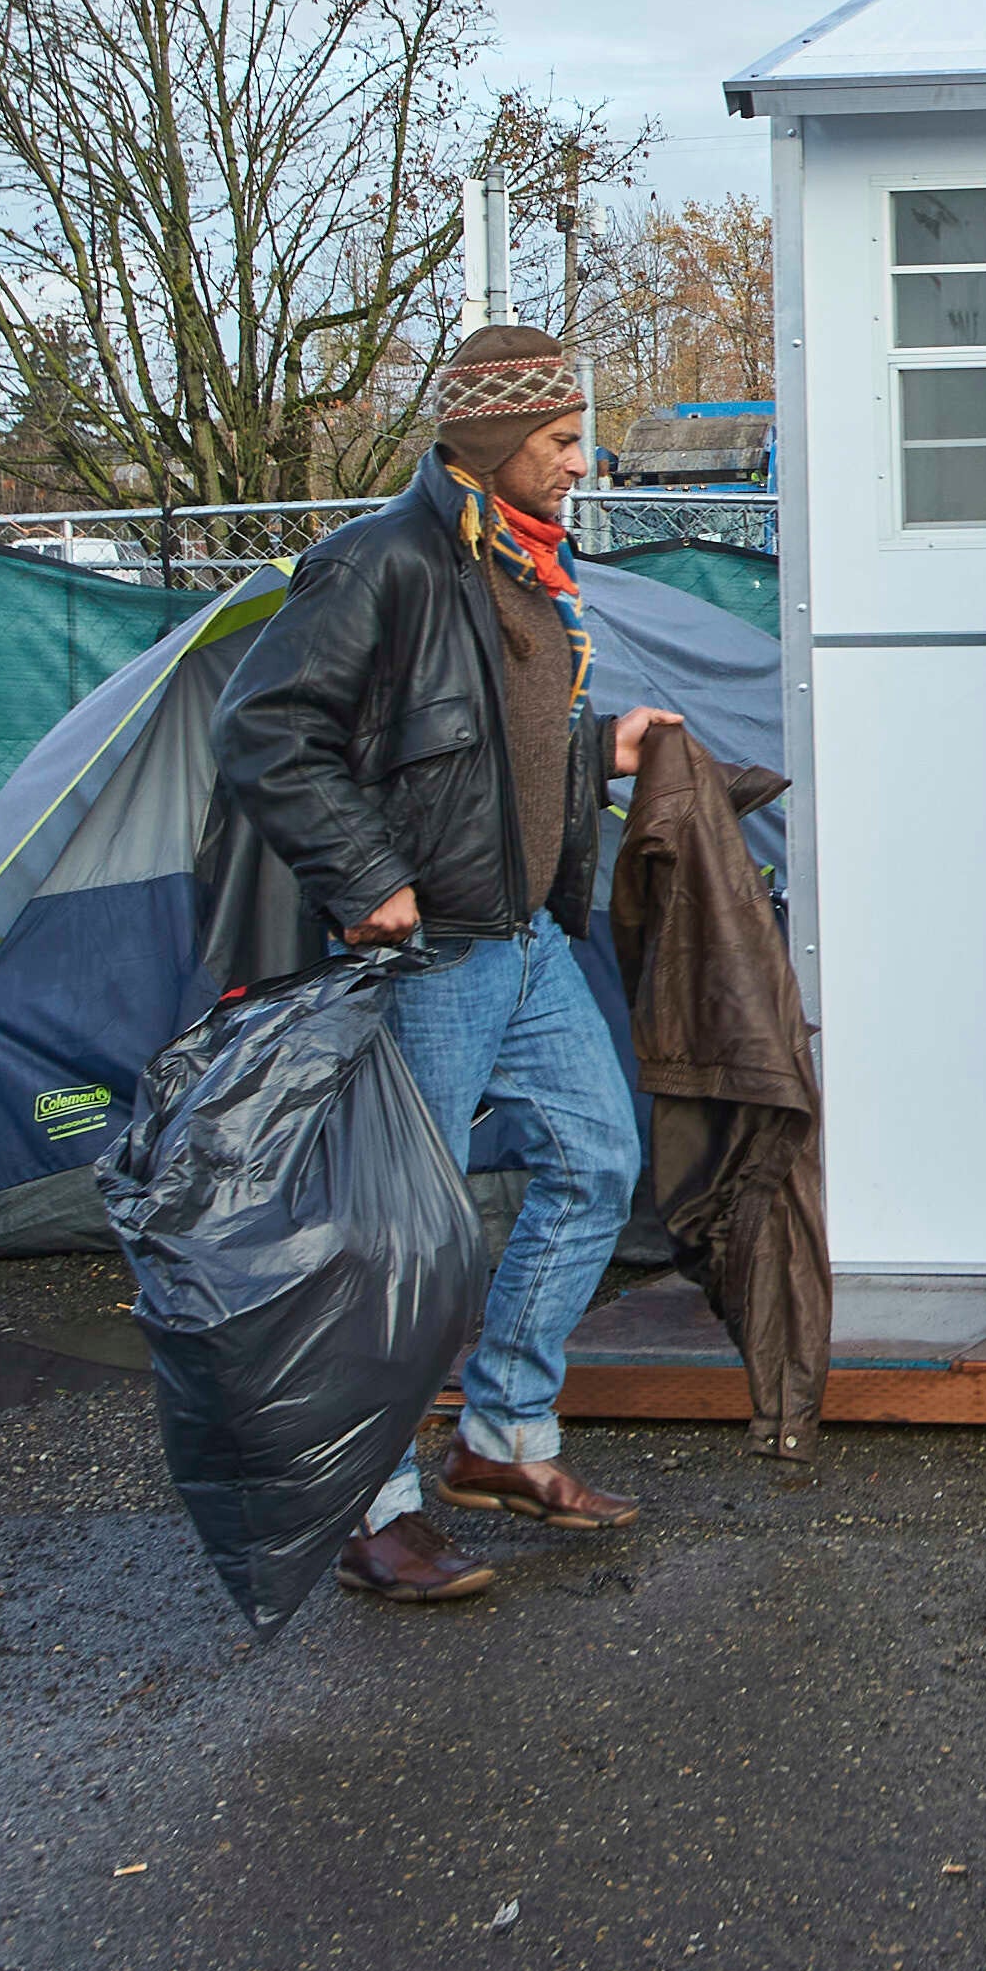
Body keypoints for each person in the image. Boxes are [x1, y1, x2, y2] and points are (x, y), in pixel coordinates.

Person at [211, 321, 680, 1603]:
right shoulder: (381, 564)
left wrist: (601, 758)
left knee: (596, 1164)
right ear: (491, 442)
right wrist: (366, 880)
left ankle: (501, 1439)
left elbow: (481, 755)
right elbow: (263, 732)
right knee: (396, 1235)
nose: (583, 460)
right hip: (431, 956)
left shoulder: (522, 568)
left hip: (525, 940)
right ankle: (372, 1508)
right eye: (561, 439)